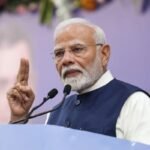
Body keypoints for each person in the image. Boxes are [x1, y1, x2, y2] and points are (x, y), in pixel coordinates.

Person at [7, 18, 150, 145]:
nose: (66, 60)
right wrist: (19, 118)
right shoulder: (55, 112)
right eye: (59, 53)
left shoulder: (135, 103)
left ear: (104, 54)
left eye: (77, 49)